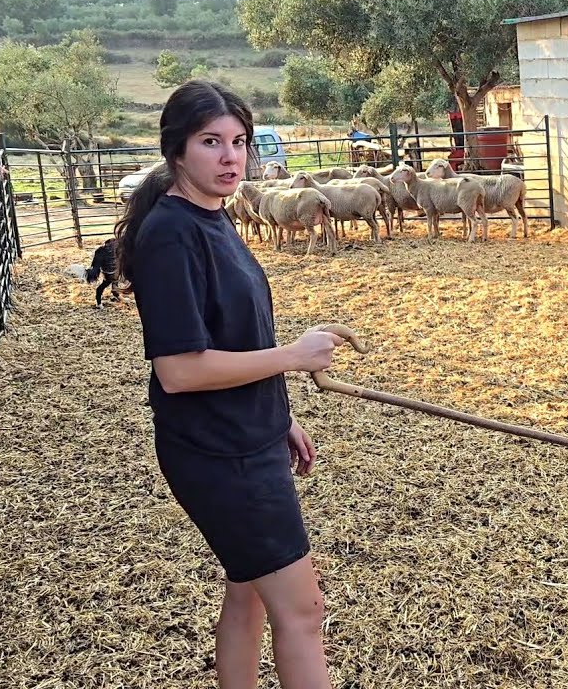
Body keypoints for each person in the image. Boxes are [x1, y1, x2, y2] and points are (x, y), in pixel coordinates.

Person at [113, 79, 341, 689]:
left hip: (246, 434)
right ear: (176, 149)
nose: (230, 156)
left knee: (249, 592)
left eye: (238, 142)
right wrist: (294, 357)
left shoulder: (214, 217)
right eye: (210, 142)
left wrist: (279, 415)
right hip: (219, 451)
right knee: (303, 611)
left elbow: (235, 336)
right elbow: (179, 370)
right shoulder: (172, 235)